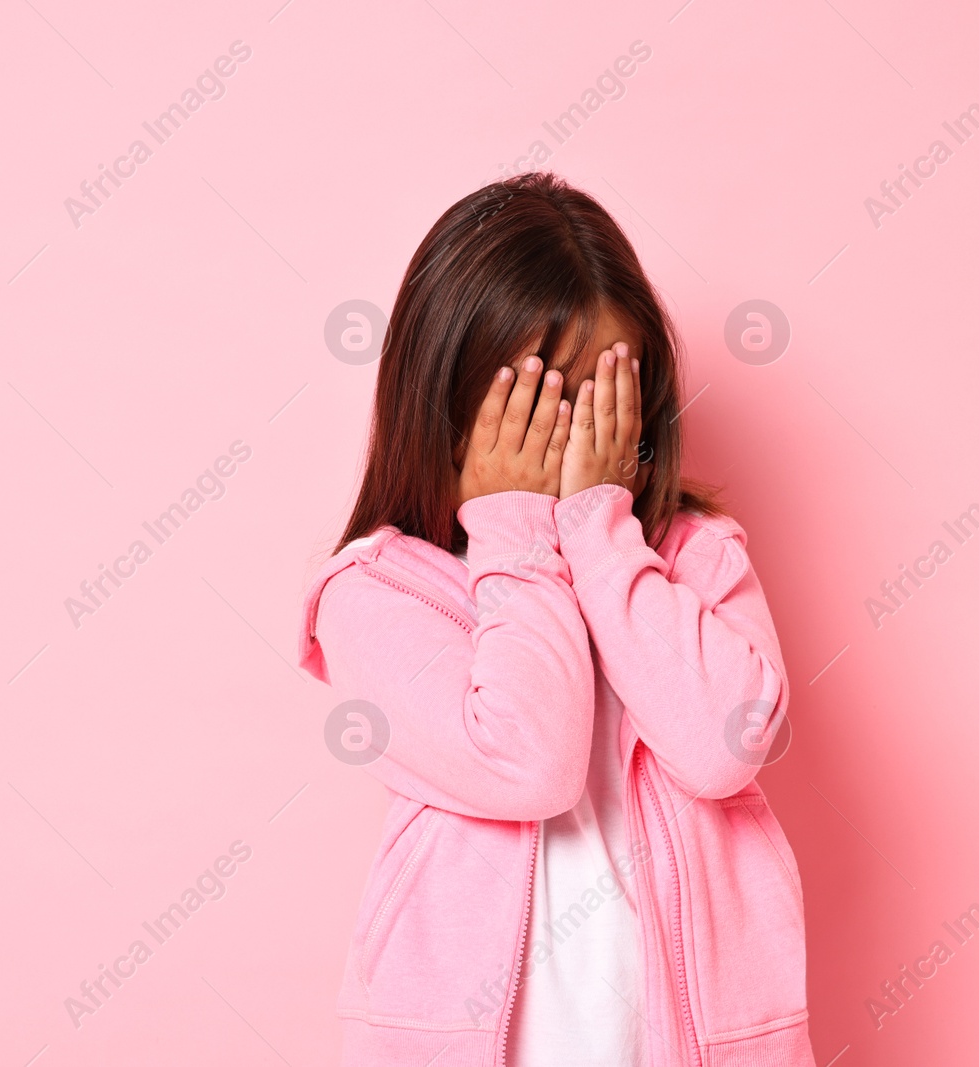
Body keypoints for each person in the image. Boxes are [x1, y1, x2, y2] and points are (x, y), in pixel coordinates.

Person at [298, 172, 814, 1066]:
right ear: (448, 401)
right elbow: (525, 762)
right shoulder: (374, 596)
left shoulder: (694, 560)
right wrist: (515, 531)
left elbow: (724, 746)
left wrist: (599, 531)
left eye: (600, 402)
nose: (571, 442)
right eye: (537, 405)